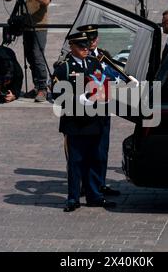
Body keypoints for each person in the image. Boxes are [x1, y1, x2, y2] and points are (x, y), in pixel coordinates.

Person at [52, 32, 116, 212]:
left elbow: (102, 83)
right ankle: (73, 198)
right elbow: (58, 95)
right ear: (71, 46)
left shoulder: (94, 63)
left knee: (94, 159)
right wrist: (80, 99)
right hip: (75, 122)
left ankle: (94, 195)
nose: (85, 49)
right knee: (76, 161)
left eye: (87, 46)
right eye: (81, 46)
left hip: (94, 119)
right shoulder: (63, 68)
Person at [76, 24, 121, 197]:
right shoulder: (78, 58)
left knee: (102, 149)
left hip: (103, 108)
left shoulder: (104, 55)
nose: (92, 42)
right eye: (88, 39)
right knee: (85, 150)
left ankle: (99, 183)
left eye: (94, 38)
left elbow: (115, 74)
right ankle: (84, 185)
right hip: (86, 110)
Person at [1, 0, 51, 102]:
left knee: (38, 56)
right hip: (26, 26)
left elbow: (46, 1)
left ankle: (43, 88)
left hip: (39, 25)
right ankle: (36, 86)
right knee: (29, 56)